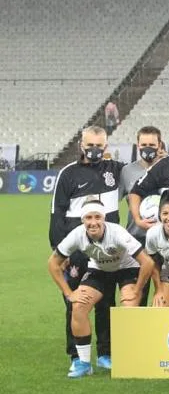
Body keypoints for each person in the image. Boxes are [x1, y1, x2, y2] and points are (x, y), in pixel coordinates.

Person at [47, 200, 154, 377]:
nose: (93, 222)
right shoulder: (77, 235)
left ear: (103, 218)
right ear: (83, 220)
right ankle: (84, 363)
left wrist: (137, 290)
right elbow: (53, 263)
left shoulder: (117, 232)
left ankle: (130, 359)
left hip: (127, 268)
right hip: (99, 270)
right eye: (88, 217)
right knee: (78, 307)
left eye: (97, 217)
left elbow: (147, 262)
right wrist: (69, 293)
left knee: (129, 308)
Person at [50, 125, 125, 371]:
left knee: (106, 304)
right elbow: (56, 214)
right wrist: (60, 252)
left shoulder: (115, 170)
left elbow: (141, 175)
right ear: (81, 145)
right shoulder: (68, 174)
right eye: (90, 145)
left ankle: (106, 353)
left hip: (108, 253)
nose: (94, 150)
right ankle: (77, 357)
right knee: (74, 303)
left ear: (106, 147)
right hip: (77, 252)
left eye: (99, 146)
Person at [119, 126, 166, 305]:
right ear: (137, 145)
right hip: (136, 239)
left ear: (159, 144)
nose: (147, 148)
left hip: (165, 239)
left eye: (152, 144)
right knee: (137, 295)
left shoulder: (168, 167)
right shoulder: (127, 171)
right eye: (143, 144)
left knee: (166, 296)